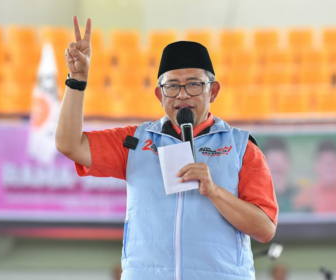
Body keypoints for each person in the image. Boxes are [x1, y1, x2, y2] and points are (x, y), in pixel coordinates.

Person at [56, 16, 278, 280]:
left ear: (213, 91)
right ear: (160, 95)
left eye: (194, 84)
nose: (182, 94)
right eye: (172, 86)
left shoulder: (242, 147)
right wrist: (77, 80)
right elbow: (69, 144)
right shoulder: (135, 141)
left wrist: (214, 191)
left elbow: (265, 229)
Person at [264, 138, 297, 212]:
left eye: (279, 161)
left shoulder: (300, 197)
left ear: (288, 162)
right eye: (272, 161)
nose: (276, 166)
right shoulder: (257, 197)